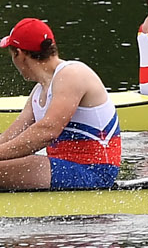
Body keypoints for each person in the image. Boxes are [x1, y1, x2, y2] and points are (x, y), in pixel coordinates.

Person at [0, 19, 125, 191]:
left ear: (19, 54)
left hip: (94, 172)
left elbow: (48, 130)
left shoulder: (72, 73)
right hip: (62, 169)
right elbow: (11, 136)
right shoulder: (38, 91)